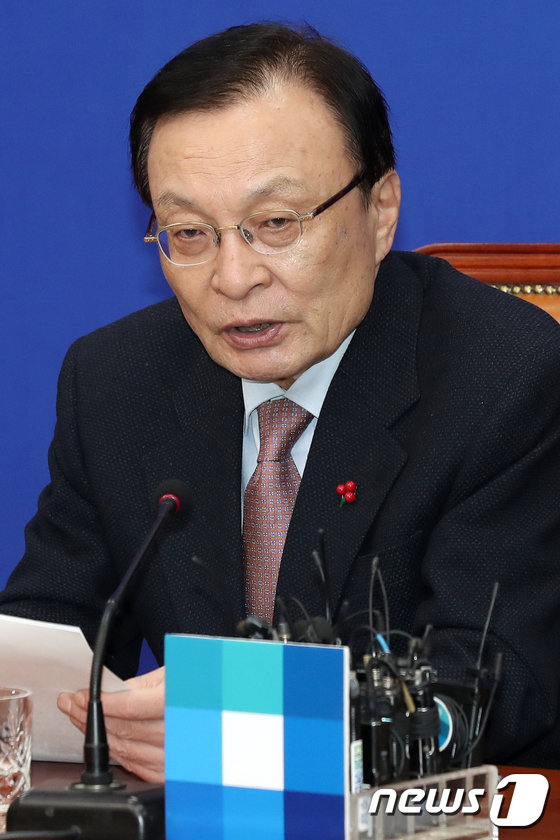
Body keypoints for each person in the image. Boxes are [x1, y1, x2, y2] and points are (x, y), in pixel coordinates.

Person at [1, 22, 560, 783]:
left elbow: (496, 684)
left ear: (381, 210)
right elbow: (48, 641)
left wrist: (260, 731)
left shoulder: (503, 376)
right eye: (189, 232)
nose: (234, 278)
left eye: (275, 224)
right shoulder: (115, 381)